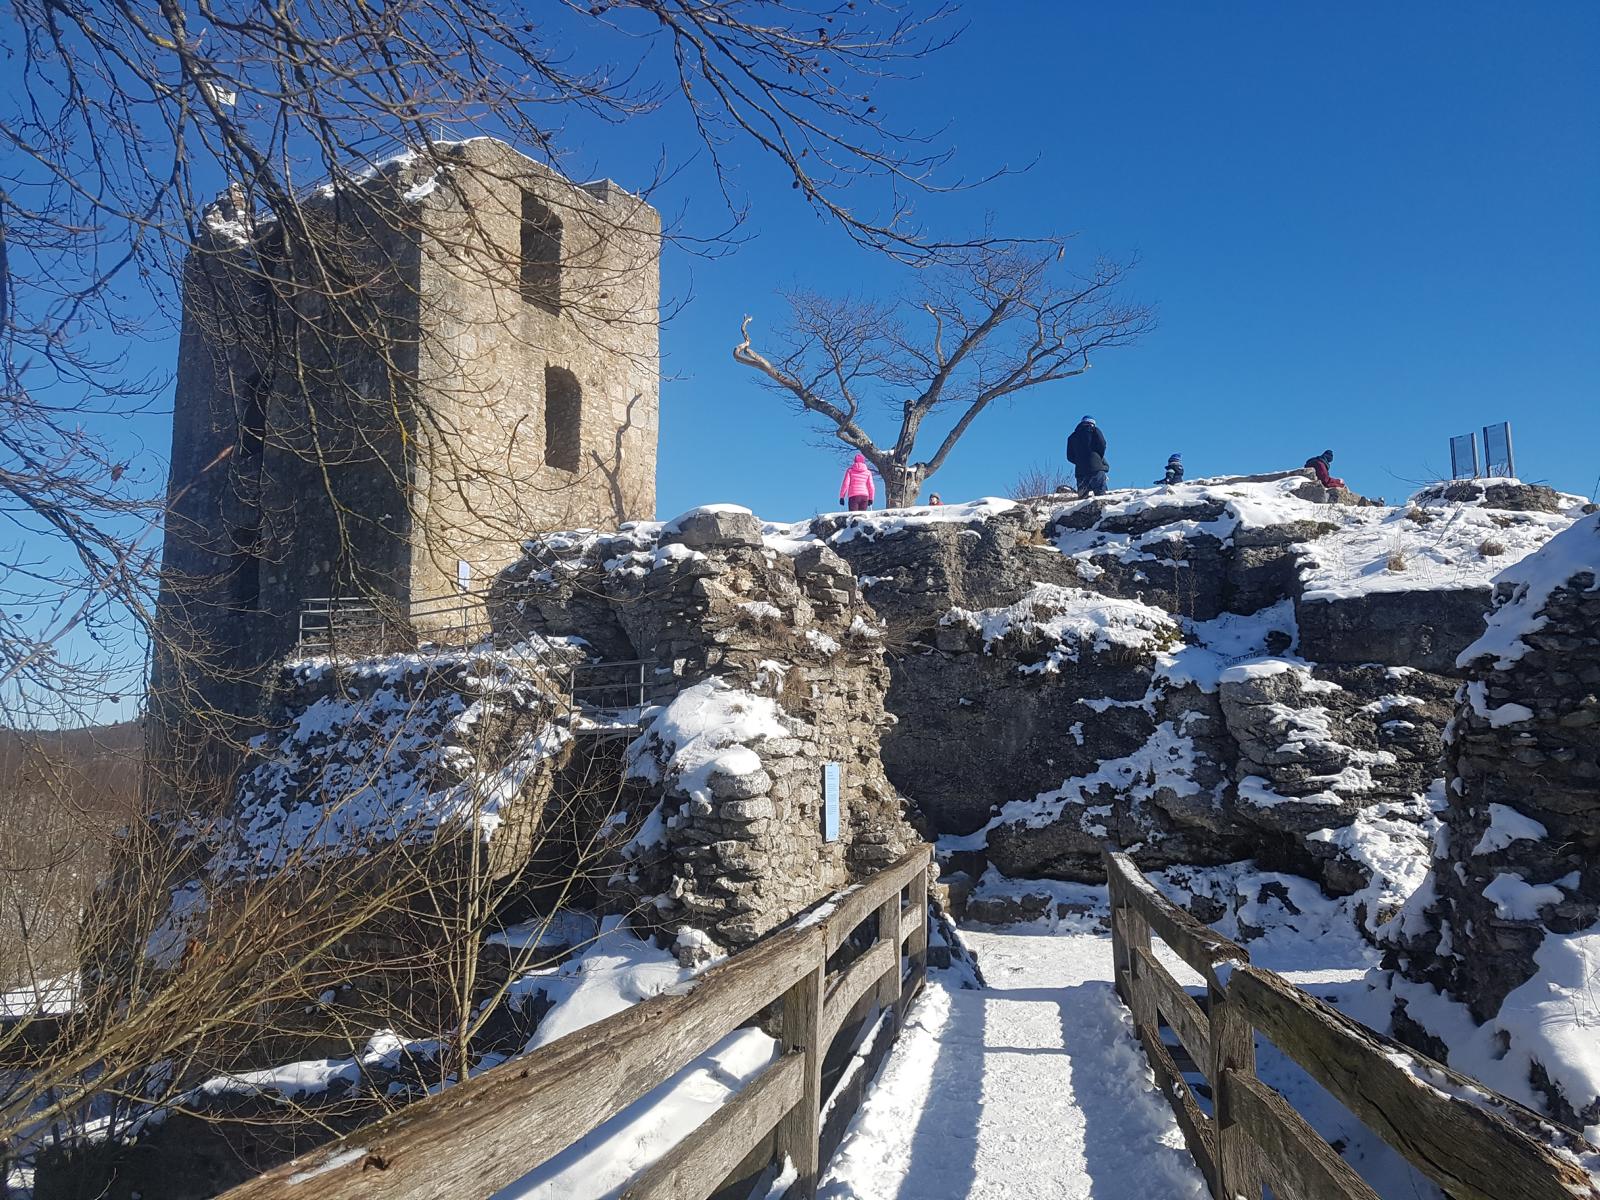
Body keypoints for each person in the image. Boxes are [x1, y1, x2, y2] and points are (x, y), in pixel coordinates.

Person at [1066, 415, 1109, 497]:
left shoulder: (1072, 437)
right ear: (1092, 423)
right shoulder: (1095, 431)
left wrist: (1079, 461)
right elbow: (1102, 444)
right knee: (1101, 496)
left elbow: (1069, 456)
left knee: (1082, 500)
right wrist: (1098, 457)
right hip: (1096, 469)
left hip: (1080, 472)